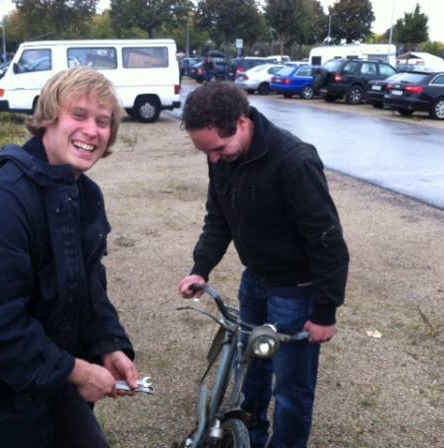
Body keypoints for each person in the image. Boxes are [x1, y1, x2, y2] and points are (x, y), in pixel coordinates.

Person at [0, 66, 140, 448]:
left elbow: (88, 285)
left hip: (48, 384)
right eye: (79, 115)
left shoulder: (84, 195)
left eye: (103, 122)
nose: (92, 131)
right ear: (48, 120)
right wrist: (73, 371)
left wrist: (107, 343)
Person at [178, 82, 349, 448]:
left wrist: (324, 312)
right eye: (205, 152)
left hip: (297, 290)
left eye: (219, 149)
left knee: (291, 389)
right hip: (254, 280)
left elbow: (328, 242)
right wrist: (200, 267)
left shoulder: (294, 161)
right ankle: (250, 438)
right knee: (251, 370)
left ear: (241, 122)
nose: (213, 159)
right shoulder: (222, 159)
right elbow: (218, 218)